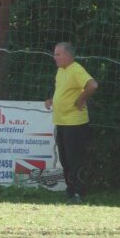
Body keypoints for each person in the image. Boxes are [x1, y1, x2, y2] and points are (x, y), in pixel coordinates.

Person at [44, 42, 98, 204]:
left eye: (57, 54)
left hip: (75, 124)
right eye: (55, 54)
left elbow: (93, 85)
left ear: (68, 55)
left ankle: (79, 194)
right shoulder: (61, 71)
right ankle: (71, 191)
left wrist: (81, 99)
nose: (54, 58)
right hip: (61, 122)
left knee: (76, 159)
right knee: (65, 159)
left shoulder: (76, 69)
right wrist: (52, 100)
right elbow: (63, 91)